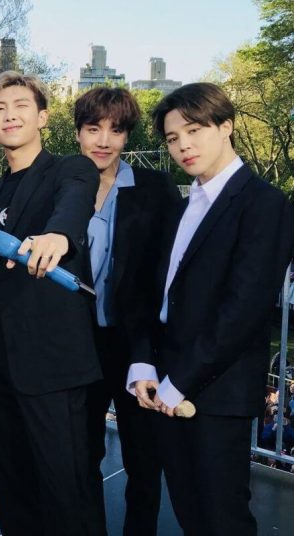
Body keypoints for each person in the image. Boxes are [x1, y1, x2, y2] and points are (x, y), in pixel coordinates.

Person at [129, 82, 294, 536]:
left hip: (218, 393)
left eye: (194, 130)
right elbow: (155, 294)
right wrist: (143, 362)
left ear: (226, 127)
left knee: (223, 520)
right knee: (189, 513)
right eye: (172, 138)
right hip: (166, 384)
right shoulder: (182, 207)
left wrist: (180, 381)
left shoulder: (265, 204)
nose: (183, 145)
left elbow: (244, 309)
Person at [0, 70, 102, 535]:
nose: (9, 115)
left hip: (50, 359)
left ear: (42, 116)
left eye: (21, 105)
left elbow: (74, 205)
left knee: (65, 489)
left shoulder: (70, 170)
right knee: (9, 484)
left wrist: (57, 236)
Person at [74, 87, 181, 536]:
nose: (104, 141)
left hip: (137, 344)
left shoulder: (155, 189)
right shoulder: (62, 185)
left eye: (116, 130)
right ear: (78, 133)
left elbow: (169, 272)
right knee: (81, 457)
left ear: (126, 135)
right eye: (93, 128)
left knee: (143, 458)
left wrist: (151, 350)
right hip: (78, 345)